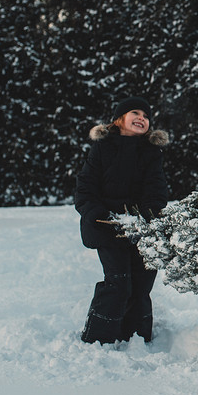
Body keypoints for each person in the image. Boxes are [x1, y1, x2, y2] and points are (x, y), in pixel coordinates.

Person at [75, 96, 169, 344]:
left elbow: (156, 190)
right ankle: (98, 338)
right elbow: (85, 188)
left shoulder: (151, 152)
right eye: (135, 113)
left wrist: (147, 217)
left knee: (141, 283)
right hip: (107, 225)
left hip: (140, 226)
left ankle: (135, 336)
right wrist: (96, 214)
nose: (142, 118)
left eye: (146, 116)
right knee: (118, 282)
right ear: (119, 119)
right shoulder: (103, 148)